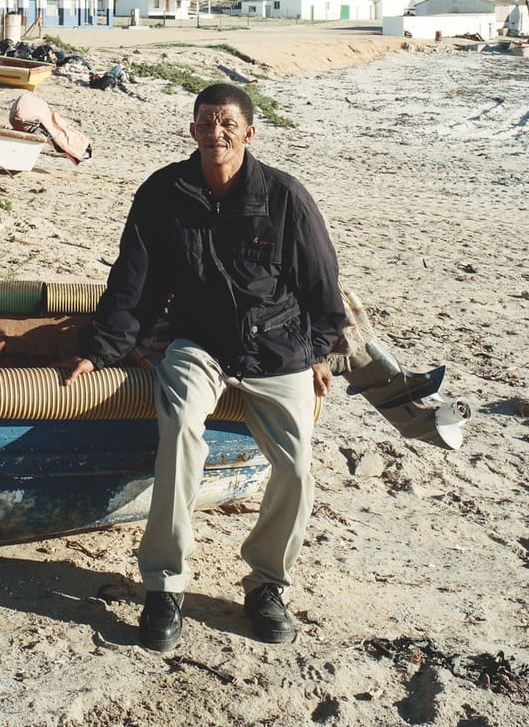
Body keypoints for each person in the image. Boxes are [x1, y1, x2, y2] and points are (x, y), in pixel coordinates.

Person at [60, 83, 346, 652]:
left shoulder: (285, 196)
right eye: (204, 124)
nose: (215, 134)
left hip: (278, 348)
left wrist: (319, 350)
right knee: (181, 429)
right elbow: (134, 284)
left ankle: (267, 586)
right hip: (200, 343)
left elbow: (321, 282)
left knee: (296, 468)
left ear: (248, 133)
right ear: (191, 130)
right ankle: (165, 587)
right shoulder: (163, 192)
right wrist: (100, 350)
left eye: (227, 125)